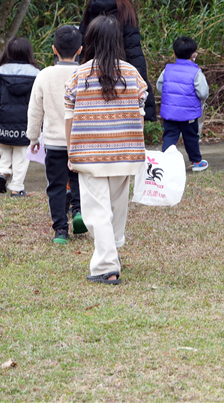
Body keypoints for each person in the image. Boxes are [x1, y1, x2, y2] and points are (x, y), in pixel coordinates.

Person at [64, 15, 149, 285]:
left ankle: (107, 265)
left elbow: (69, 117)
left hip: (90, 154)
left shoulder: (79, 75)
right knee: (116, 207)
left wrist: (70, 152)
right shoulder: (132, 74)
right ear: (118, 41)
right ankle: (113, 251)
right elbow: (141, 113)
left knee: (96, 211)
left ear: (90, 40)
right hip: (125, 153)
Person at [26, 25, 86, 244]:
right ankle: (79, 211)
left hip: (54, 141)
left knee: (56, 185)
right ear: (80, 50)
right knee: (80, 179)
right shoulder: (85, 74)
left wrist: (33, 138)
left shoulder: (44, 75)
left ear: (54, 49)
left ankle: (60, 230)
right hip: (81, 142)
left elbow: (35, 110)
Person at [79, 0, 157, 122]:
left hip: (90, 72)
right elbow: (133, 51)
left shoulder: (90, 9)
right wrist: (144, 93)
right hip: (120, 74)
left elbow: (81, 44)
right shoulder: (126, 11)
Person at [0, 37, 40, 196]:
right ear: (29, 53)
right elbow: (40, 103)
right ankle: (17, 188)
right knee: (22, 156)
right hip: (25, 125)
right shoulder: (37, 75)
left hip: (3, 124)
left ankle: (2, 172)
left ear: (8, 52)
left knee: (5, 150)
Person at [156, 36, 210, 173]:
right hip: (189, 115)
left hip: (170, 113)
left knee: (169, 136)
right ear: (194, 55)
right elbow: (203, 93)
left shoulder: (167, 69)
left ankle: (165, 162)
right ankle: (196, 162)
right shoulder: (196, 72)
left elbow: (159, 86)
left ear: (174, 54)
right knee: (191, 137)